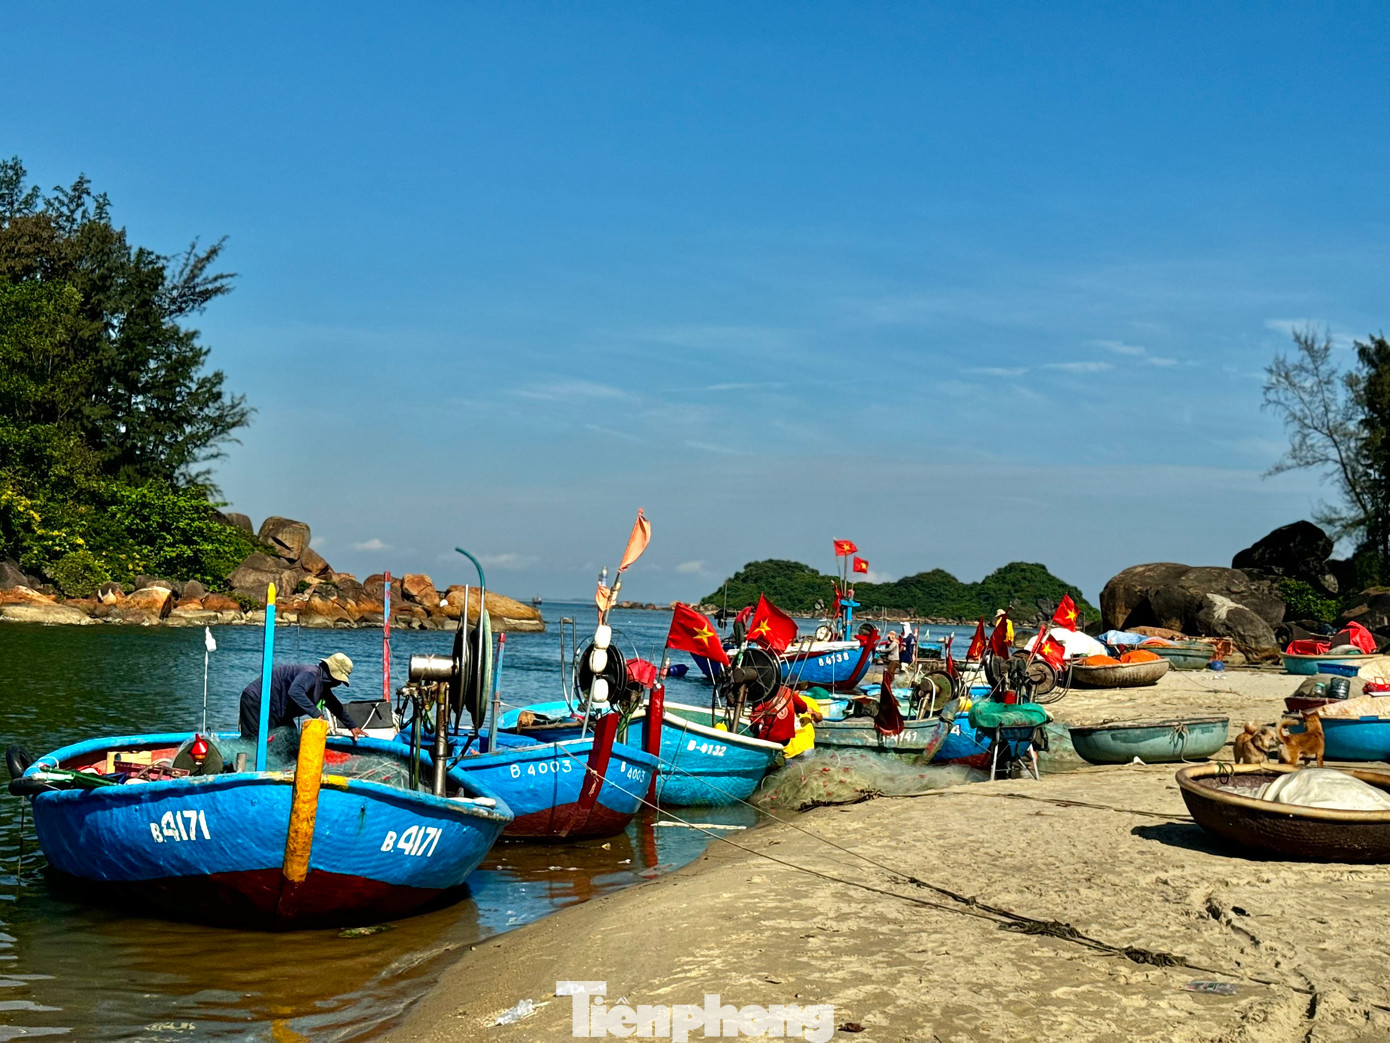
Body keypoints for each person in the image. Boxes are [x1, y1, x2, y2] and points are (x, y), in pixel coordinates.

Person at [239, 653, 365, 740]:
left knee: (290, 740)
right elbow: (295, 692)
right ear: (331, 673)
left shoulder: (323, 686)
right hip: (257, 701)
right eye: (338, 680)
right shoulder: (310, 674)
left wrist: (352, 726)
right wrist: (317, 715)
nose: (338, 684)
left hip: (279, 711)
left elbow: (335, 706)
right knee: (253, 741)